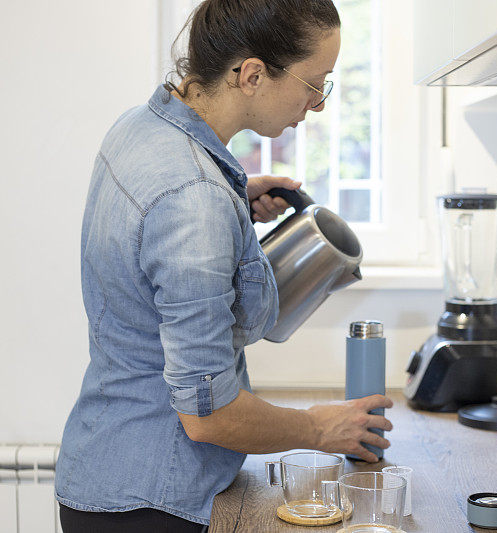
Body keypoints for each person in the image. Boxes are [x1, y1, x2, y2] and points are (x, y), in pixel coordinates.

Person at [54, 1, 394, 531]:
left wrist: (233, 204)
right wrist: (318, 430)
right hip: (151, 502)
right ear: (253, 75)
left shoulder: (142, 127)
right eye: (315, 83)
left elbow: (151, 243)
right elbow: (208, 414)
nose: (318, 104)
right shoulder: (193, 198)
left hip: (105, 462)